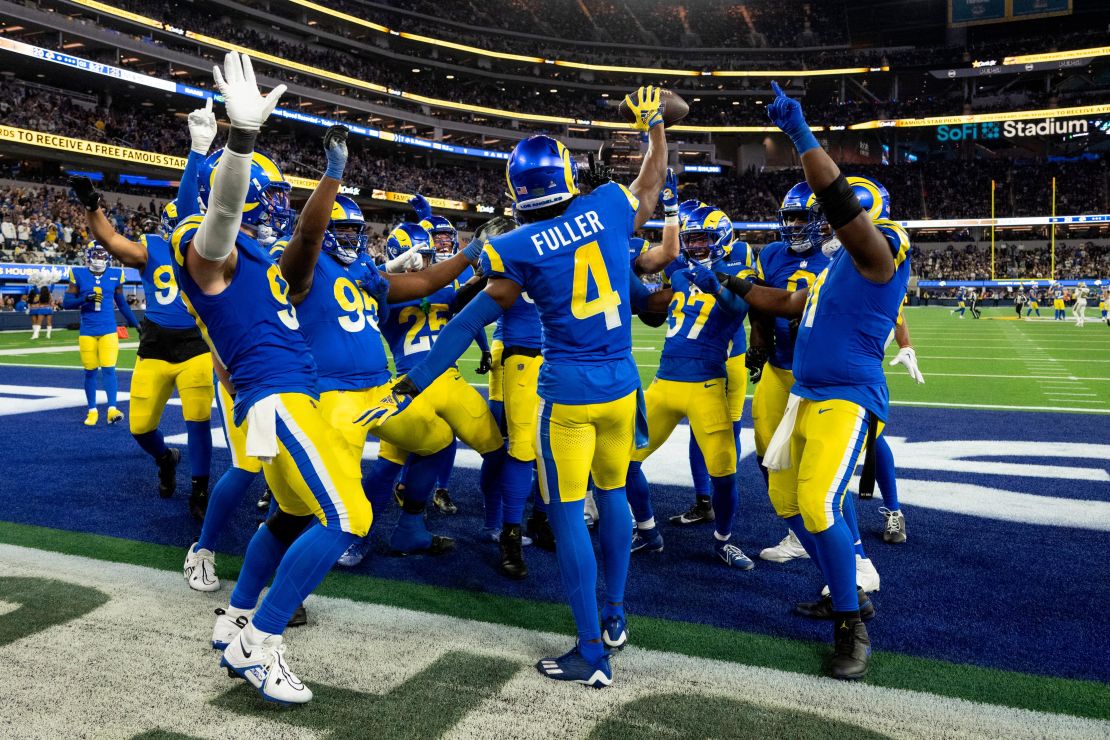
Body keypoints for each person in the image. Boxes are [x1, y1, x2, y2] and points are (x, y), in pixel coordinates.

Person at [359, 86, 669, 687]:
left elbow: (470, 319)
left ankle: (590, 653)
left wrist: (414, 379)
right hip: (622, 386)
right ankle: (614, 615)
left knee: (566, 513)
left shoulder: (515, 246)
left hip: (569, 395)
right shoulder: (606, 202)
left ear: (517, 190)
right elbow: (653, 184)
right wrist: (655, 126)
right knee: (613, 500)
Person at [171, 52, 360, 705]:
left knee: (289, 514)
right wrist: (240, 142)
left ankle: (238, 620)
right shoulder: (210, 247)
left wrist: (204, 153)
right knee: (347, 514)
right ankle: (264, 642)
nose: (277, 204)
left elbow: (220, 215)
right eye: (270, 194)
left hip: (274, 396)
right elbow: (217, 216)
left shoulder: (252, 257)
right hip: (278, 397)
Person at [717, 82, 911, 680]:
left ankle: (851, 625)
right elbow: (788, 303)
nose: (824, 225)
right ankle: (842, 585)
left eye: (837, 216)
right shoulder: (830, 272)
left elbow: (843, 208)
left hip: (847, 398)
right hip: (805, 396)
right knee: (791, 497)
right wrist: (732, 284)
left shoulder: (882, 254)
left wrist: (800, 136)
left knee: (820, 503)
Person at [69, 99, 217, 514]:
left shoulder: (207, 250)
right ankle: (165, 458)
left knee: (198, 422)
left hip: (195, 344)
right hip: (155, 343)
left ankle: (201, 488)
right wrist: (92, 206)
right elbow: (110, 241)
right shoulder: (152, 248)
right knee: (140, 426)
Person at [625, 202, 755, 570]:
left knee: (725, 474)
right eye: (691, 240)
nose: (697, 247)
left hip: (707, 384)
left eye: (704, 239)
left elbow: (736, 309)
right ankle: (648, 531)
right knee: (624, 461)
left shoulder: (739, 269)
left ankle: (724, 540)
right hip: (665, 383)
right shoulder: (678, 272)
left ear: (724, 238)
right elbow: (647, 303)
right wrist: (623, 266)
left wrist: (716, 286)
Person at [63, 242, 139, 426]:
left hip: (108, 329)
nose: (98, 258)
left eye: (101, 254)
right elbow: (66, 302)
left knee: (109, 369)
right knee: (90, 372)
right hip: (88, 330)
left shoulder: (115, 274)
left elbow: (121, 304)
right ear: (88, 255)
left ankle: (112, 409)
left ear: (108, 256)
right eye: (95, 254)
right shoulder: (78, 274)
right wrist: (83, 299)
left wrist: (136, 324)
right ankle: (92, 410)